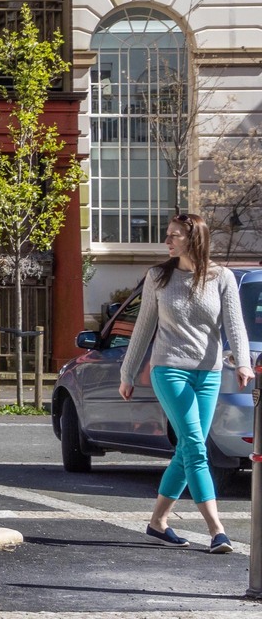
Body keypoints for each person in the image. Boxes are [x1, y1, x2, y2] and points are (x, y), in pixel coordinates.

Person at [119, 213, 254, 553]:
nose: (168, 241)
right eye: (168, 235)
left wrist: (243, 363)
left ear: (194, 239)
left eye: (175, 235)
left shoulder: (221, 277)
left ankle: (157, 522)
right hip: (169, 369)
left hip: (208, 373)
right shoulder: (158, 277)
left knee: (186, 449)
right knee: (195, 445)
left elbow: (234, 325)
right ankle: (217, 530)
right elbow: (143, 328)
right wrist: (128, 372)